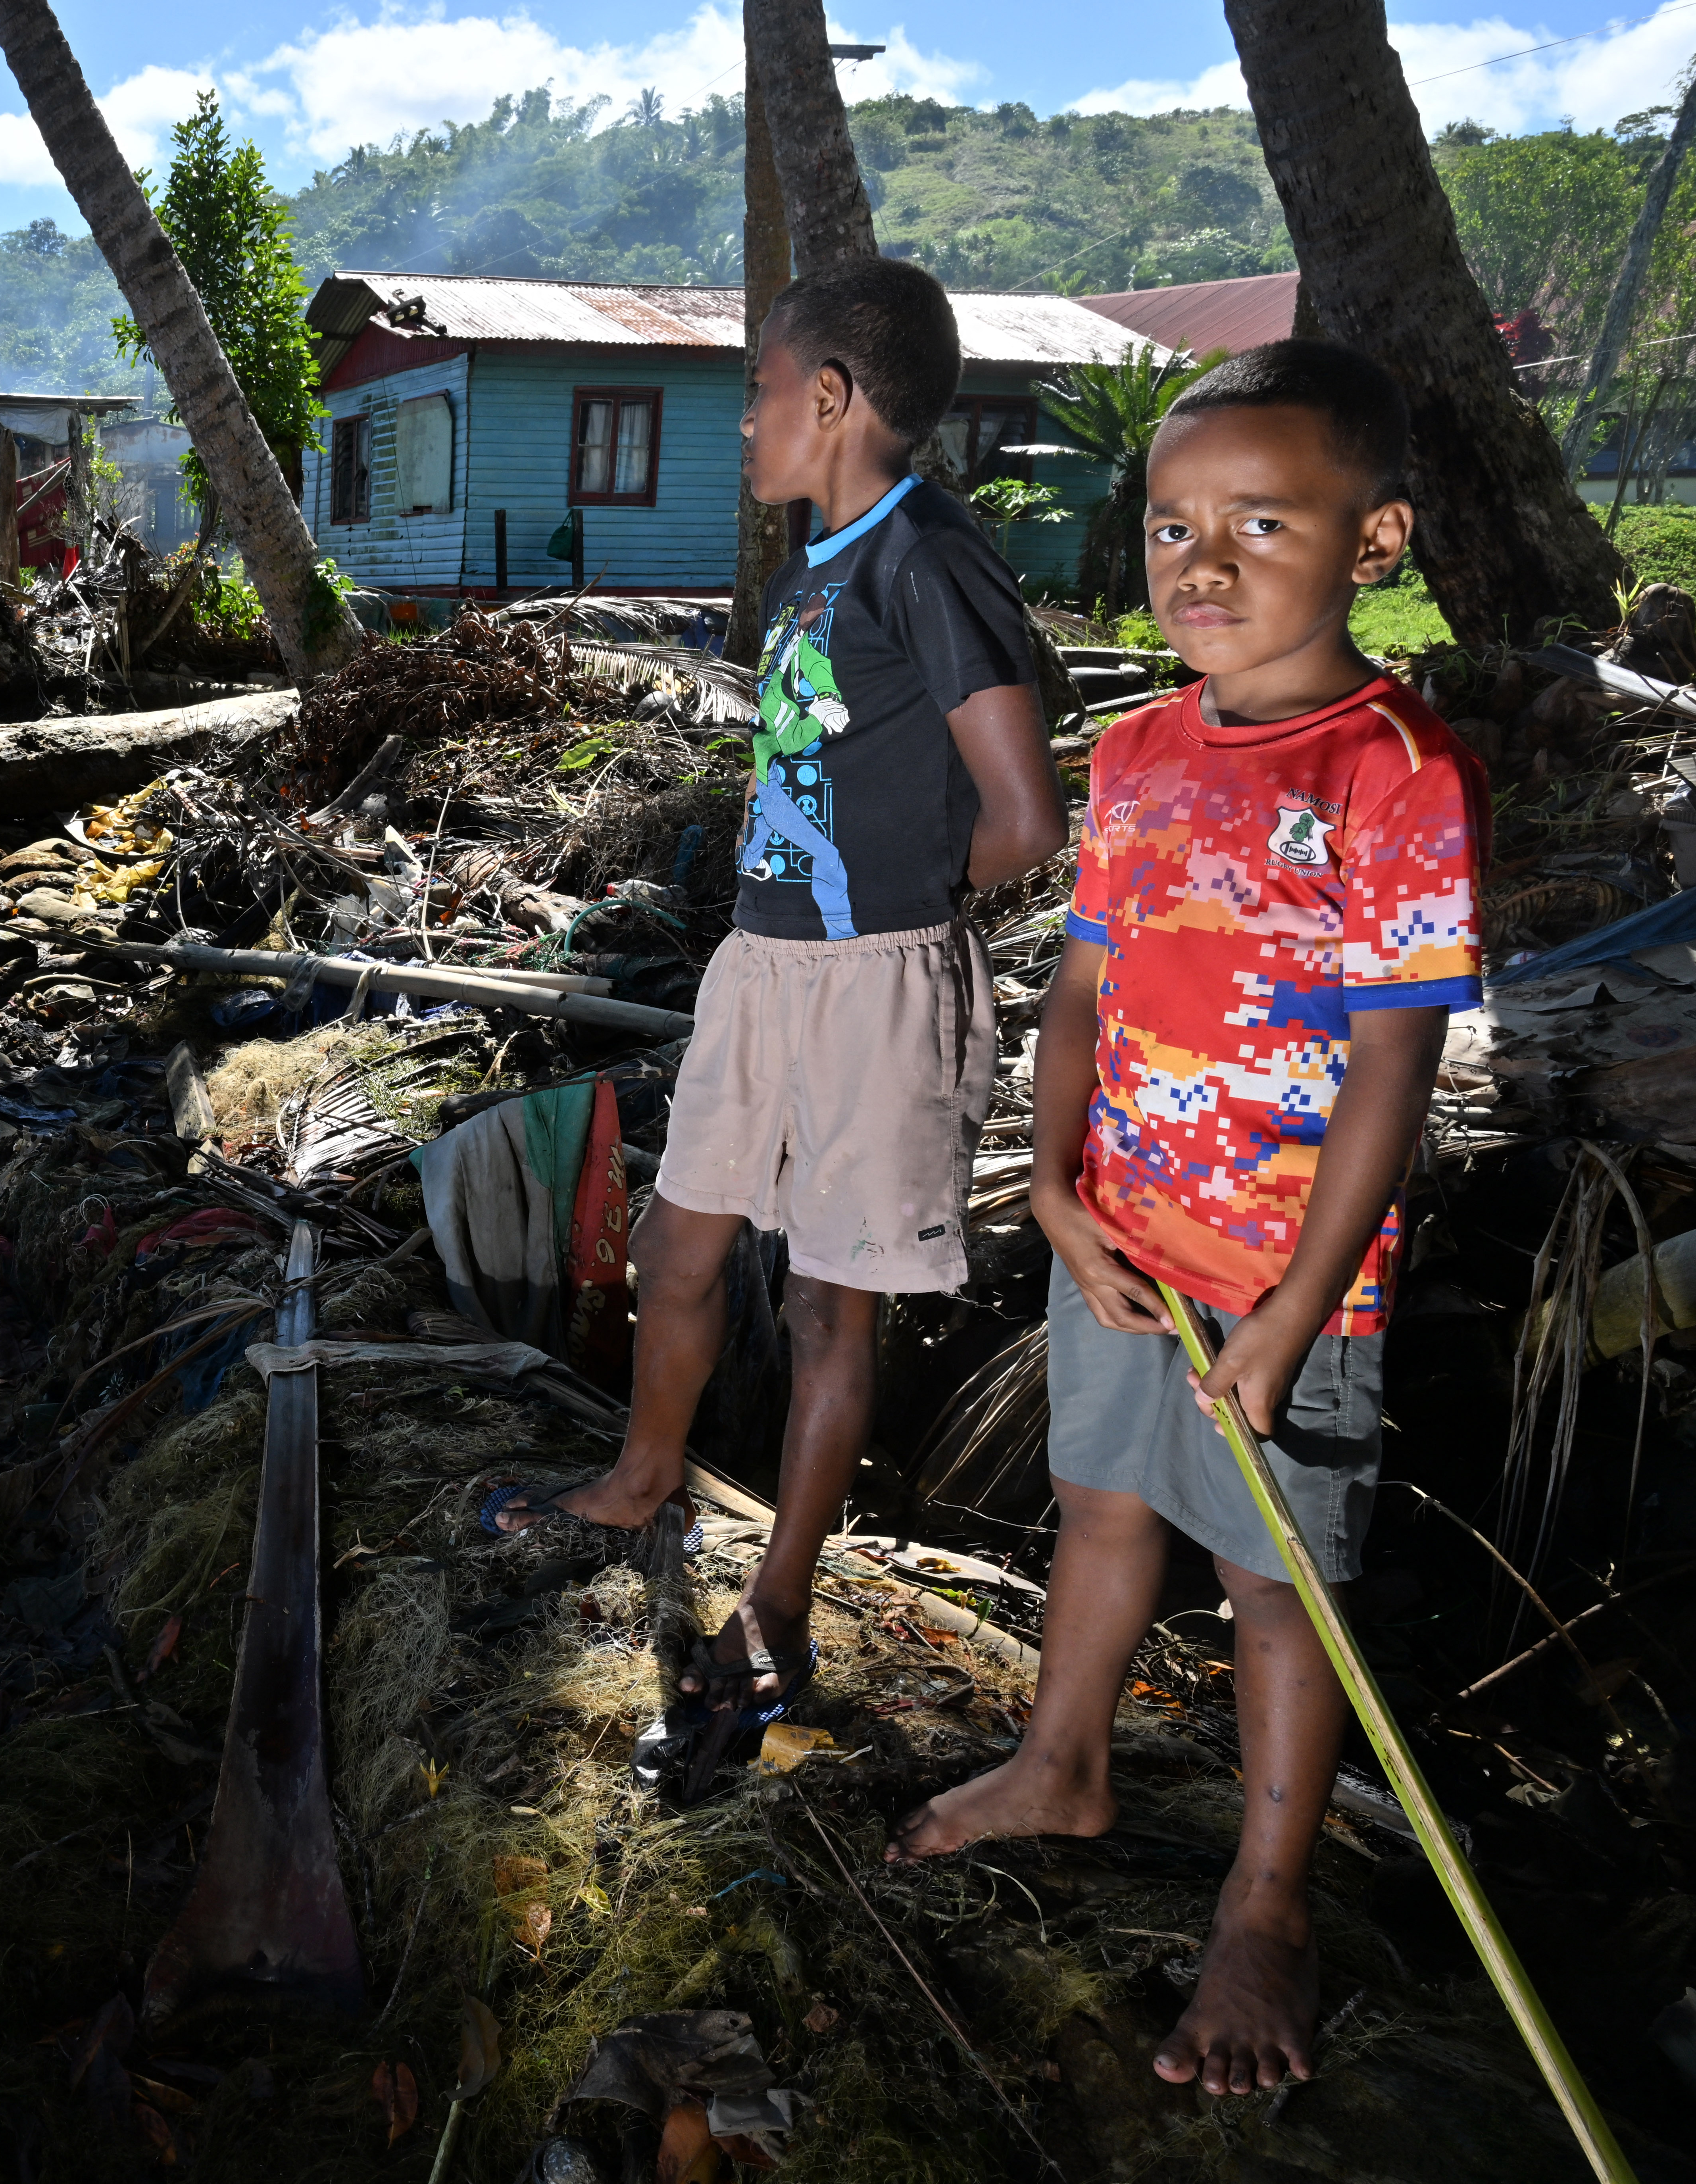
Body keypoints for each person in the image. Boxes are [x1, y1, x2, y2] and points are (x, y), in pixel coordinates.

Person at [888, 340, 1487, 2100]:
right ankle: (1060, 1756)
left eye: (1259, 523)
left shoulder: (1395, 769)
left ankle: (1266, 1900)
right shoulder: (1139, 750)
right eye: (1168, 527)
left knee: (1274, 1586)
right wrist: (1058, 1187)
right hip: (1125, 1245)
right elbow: (1081, 990)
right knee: (1098, 1503)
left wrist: (1298, 1311)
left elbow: (1393, 1070)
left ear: (1373, 543)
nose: (1200, 564)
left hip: (1285, 1281)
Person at [484, 257, 1067, 1755]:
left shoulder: (927, 558)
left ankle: (782, 1598)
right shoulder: (820, 564)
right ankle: (644, 1475)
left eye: (756, 388)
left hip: (873, 986)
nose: (741, 420)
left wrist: (884, 938)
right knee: (680, 1245)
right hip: (763, 967)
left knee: (825, 1307)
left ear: (830, 398)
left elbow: (1022, 817)